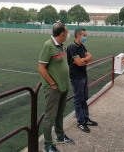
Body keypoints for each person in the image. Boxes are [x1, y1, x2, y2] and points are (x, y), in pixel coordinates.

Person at [38, 23, 74, 152]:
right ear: (62, 34)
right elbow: (41, 68)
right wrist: (52, 84)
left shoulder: (60, 46)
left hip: (63, 87)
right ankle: (47, 145)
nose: (68, 34)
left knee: (60, 112)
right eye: (67, 32)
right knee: (49, 116)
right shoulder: (48, 46)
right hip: (54, 89)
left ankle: (60, 136)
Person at [66, 28, 98, 133]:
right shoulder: (72, 47)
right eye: (84, 35)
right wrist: (83, 60)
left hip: (83, 75)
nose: (85, 37)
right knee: (78, 99)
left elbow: (90, 57)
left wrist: (83, 59)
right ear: (78, 35)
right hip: (76, 77)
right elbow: (79, 63)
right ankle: (80, 121)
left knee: (84, 98)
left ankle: (85, 118)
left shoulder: (81, 46)